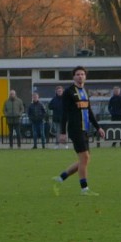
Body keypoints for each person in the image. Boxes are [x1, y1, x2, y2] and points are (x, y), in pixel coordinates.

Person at [51, 66, 104, 196]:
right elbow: (64, 113)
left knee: (84, 160)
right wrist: (63, 132)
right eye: (78, 74)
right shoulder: (69, 92)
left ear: (85, 77)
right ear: (73, 77)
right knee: (84, 158)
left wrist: (98, 127)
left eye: (82, 74)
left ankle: (61, 178)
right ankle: (84, 189)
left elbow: (89, 112)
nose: (80, 76)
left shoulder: (84, 91)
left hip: (85, 128)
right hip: (75, 129)